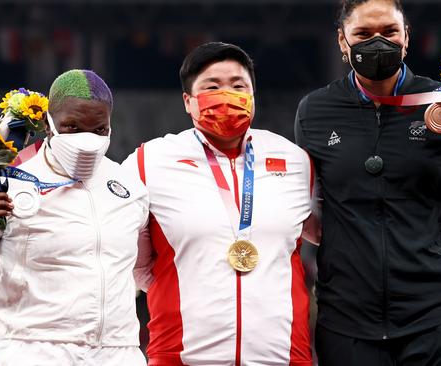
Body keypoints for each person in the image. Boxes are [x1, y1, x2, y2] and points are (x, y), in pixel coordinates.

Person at [294, 1, 441, 365]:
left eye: (389, 32)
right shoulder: (315, 111)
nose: (377, 43)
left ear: (406, 38)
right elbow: (313, 207)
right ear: (341, 41)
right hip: (350, 323)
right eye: (363, 34)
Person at [123, 42, 319, 365]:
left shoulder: (296, 161)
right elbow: (133, 262)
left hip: (283, 357)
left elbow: (327, 234)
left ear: (253, 96)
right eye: (212, 87)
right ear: (188, 101)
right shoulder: (149, 161)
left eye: (238, 86)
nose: (227, 95)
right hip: (181, 357)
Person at [0, 69, 149, 365]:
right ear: (48, 125)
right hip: (29, 351)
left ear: (110, 126)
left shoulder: (130, 188)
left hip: (117, 353)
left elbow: (148, 275)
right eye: (72, 127)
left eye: (99, 129)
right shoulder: (7, 181)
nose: (87, 140)